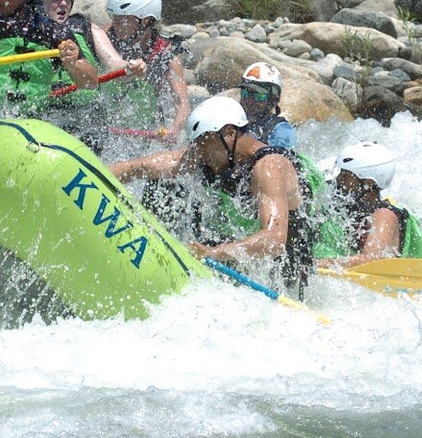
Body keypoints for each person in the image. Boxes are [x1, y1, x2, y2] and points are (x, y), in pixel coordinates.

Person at [110, 96, 315, 296]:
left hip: (287, 265)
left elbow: (275, 238)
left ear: (229, 132)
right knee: (162, 184)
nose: (198, 152)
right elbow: (142, 167)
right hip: (242, 249)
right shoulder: (213, 151)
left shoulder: (268, 166)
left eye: (203, 144)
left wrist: (214, 253)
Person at [314, 141, 422, 270]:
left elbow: (372, 260)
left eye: (346, 176)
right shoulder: (345, 211)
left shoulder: (384, 215)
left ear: (369, 182)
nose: (338, 180)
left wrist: (319, 265)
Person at [104, 0, 190, 145]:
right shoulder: (105, 37)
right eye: (114, 18)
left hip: (146, 126)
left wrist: (174, 130)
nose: (115, 25)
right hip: (106, 122)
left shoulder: (166, 54)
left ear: (146, 21)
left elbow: (182, 103)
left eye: (123, 20)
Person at [238, 62, 296, 150]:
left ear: (273, 100)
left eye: (259, 96)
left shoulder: (281, 130)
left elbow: (280, 159)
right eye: (246, 93)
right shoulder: (233, 121)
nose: (249, 100)